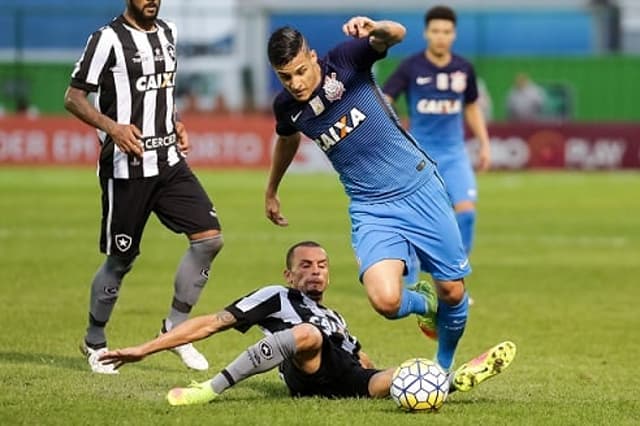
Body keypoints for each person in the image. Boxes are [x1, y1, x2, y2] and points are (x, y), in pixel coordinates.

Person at [264, 16, 470, 373]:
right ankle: (421, 302)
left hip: (418, 187)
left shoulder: (345, 61)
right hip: (371, 208)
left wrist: (376, 28)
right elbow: (287, 137)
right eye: (285, 77)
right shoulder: (287, 106)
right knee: (386, 301)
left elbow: (397, 34)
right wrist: (272, 189)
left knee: (452, 292)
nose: (295, 83)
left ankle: (443, 367)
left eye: (300, 71)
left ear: (312, 56)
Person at [98, 241, 516, 406]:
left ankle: (451, 381)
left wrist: (379, 374)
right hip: (306, 366)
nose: (315, 272)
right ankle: (208, 390)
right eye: (305, 266)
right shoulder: (275, 296)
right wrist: (144, 348)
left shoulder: (335, 315)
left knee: (410, 375)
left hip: (343, 373)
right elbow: (211, 322)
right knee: (307, 335)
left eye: (322, 266)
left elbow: (358, 356)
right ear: (289, 274)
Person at [63, 0, 224, 374]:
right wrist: (112, 128)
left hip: (168, 161)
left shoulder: (169, 33)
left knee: (209, 239)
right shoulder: (106, 39)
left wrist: (176, 120)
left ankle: (174, 328)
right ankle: (95, 341)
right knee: (121, 259)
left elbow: (160, 91)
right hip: (126, 168)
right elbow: (73, 98)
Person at [383, 5, 491, 271]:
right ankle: (411, 277)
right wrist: (395, 131)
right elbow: (385, 99)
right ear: (426, 33)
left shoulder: (464, 68)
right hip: (420, 156)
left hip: (454, 154)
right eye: (436, 31)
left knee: (466, 213)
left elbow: (472, 106)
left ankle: (453, 276)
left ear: (454, 34)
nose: (441, 36)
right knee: (414, 218)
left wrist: (484, 143)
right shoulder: (411, 67)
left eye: (446, 31)